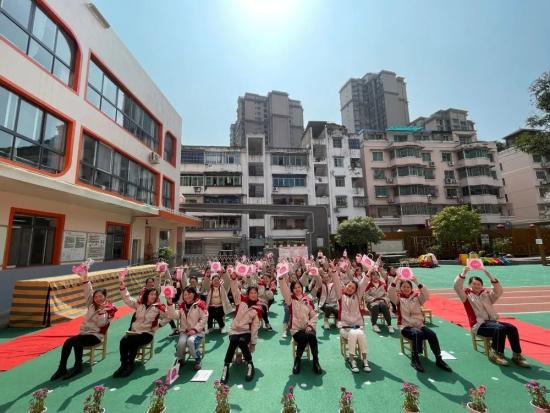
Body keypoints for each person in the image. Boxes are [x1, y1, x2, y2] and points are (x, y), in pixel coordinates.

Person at [454, 266, 530, 367]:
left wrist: (489, 275)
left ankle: (517, 355)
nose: (477, 286)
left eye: (479, 284)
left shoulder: (486, 295)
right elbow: (456, 287)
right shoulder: (466, 296)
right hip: (479, 325)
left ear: (482, 285)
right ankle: (496, 353)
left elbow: (499, 291)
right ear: (470, 285)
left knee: (512, 328)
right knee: (500, 328)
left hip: (492, 322)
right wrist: (463, 273)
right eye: (474, 284)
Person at [50, 272, 116, 380]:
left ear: (105, 297)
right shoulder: (91, 304)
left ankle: (78, 366)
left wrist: (102, 312)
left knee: (77, 341)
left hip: (96, 336)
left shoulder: (110, 309)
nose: (98, 298)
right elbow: (88, 291)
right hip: (84, 334)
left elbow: (101, 324)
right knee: (68, 341)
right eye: (96, 296)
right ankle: (62, 368)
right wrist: (85, 277)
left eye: (100, 296)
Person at [389, 275, 452, 373]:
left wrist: (417, 282)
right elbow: (390, 292)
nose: (406, 289)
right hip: (405, 326)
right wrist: (396, 280)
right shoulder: (398, 299)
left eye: (408, 287)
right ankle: (415, 359)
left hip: (419, 325)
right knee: (417, 333)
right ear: (400, 288)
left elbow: (426, 294)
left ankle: (438, 358)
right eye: (403, 287)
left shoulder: (417, 298)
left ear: (411, 288)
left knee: (432, 334)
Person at [114, 279, 168, 378]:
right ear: (146, 295)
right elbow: (127, 299)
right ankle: (123, 364)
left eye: (155, 295)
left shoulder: (158, 307)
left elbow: (169, 316)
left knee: (134, 340)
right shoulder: (139, 304)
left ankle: (130, 364)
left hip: (147, 334)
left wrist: (159, 325)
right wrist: (122, 288)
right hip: (134, 332)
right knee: (123, 341)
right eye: (151, 294)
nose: (153, 296)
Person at [220, 272, 261, 384]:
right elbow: (234, 291)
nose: (253, 294)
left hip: (246, 331)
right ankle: (226, 367)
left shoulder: (258, 308)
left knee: (242, 342)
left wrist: (253, 342)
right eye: (251, 293)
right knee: (233, 340)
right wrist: (233, 279)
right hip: (234, 330)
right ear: (248, 294)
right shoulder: (241, 301)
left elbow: (255, 327)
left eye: (255, 293)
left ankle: (250, 364)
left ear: (257, 295)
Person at [279, 271, 322, 375]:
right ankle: (297, 360)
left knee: (310, 336)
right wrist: (281, 279)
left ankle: (315, 360)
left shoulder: (308, 299)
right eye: (295, 288)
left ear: (302, 288)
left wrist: (310, 326)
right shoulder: (290, 300)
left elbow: (313, 315)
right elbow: (284, 290)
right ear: (292, 290)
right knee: (304, 338)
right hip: (296, 330)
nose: (297, 289)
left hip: (308, 328)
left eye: (299, 287)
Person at [333, 264, 371, 373]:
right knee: (355, 334)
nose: (350, 288)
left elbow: (363, 284)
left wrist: (369, 271)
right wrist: (334, 271)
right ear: (345, 286)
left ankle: (363, 360)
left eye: (353, 288)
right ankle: (353, 360)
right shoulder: (340, 296)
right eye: (349, 286)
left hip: (358, 326)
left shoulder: (357, 297)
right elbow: (336, 283)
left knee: (359, 333)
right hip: (345, 328)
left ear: (355, 291)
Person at [166, 286, 208, 371]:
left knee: (191, 341)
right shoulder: (182, 305)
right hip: (185, 331)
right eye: (185, 294)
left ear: (194, 294)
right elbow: (175, 316)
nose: (187, 296)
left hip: (197, 332)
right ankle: (181, 359)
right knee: (181, 343)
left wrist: (195, 330)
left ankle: (198, 359)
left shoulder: (200, 304)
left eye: (189, 294)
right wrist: (170, 304)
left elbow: (204, 318)